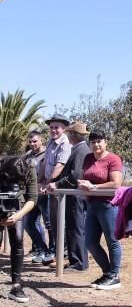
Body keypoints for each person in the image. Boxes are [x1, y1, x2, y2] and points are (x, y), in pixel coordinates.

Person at [78, 130, 123, 289]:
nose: (96, 144)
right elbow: (86, 177)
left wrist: (94, 186)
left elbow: (116, 183)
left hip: (108, 204)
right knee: (90, 242)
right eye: (93, 142)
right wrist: (83, 185)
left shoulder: (113, 159)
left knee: (112, 241)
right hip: (91, 205)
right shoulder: (88, 158)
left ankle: (114, 276)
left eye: (99, 141)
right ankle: (107, 273)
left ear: (105, 142)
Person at [46, 122, 91, 271]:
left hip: (75, 196)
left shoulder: (81, 150)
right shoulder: (78, 149)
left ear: (74, 135)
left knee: (76, 227)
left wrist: (58, 184)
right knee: (72, 227)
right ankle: (75, 261)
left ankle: (79, 263)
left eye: (70, 133)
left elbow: (76, 174)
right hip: (72, 195)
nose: (68, 135)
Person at [0, 155, 37, 302]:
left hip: (18, 207)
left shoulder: (30, 168)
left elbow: (33, 198)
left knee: (18, 240)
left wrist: (17, 215)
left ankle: (16, 286)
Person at [37, 113, 72, 264]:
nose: (53, 130)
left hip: (60, 187)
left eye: (56, 127)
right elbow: (45, 163)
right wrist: (38, 182)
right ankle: (57, 252)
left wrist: (47, 182)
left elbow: (59, 166)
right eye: (51, 127)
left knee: (60, 221)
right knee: (52, 221)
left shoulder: (65, 144)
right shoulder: (51, 142)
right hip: (50, 188)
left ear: (63, 128)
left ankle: (63, 253)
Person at [23, 130, 49, 259]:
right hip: (31, 195)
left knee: (48, 224)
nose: (32, 144)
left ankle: (53, 253)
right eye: (30, 142)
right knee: (28, 223)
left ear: (41, 140)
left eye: (35, 141)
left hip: (44, 194)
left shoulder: (47, 153)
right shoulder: (28, 155)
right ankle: (41, 249)